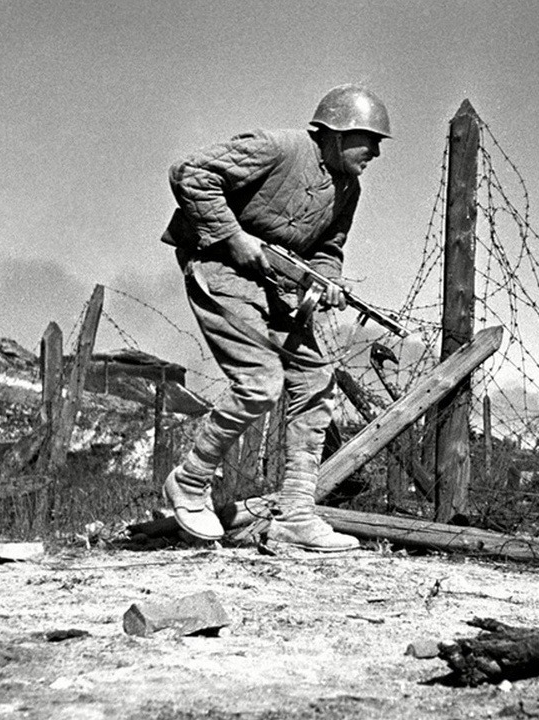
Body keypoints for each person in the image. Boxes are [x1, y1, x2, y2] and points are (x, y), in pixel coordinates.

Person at [158, 84, 391, 551]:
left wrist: (327, 282)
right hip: (221, 270)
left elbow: (328, 248)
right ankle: (189, 481)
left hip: (279, 287)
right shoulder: (277, 148)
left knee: (316, 381)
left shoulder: (349, 187)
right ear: (340, 132)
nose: (377, 152)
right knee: (260, 381)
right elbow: (190, 173)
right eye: (371, 139)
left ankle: (295, 515)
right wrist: (231, 236)